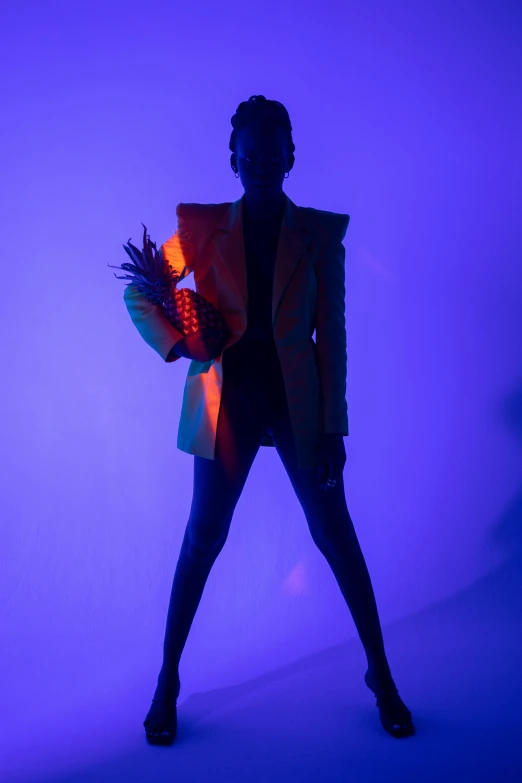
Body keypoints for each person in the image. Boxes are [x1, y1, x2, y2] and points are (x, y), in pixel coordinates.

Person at [139, 96, 414, 744]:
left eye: (273, 152)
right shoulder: (201, 228)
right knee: (203, 537)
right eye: (250, 153)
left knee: (335, 534)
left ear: (292, 156)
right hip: (227, 396)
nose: (262, 163)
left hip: (297, 402)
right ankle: (167, 679)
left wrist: (334, 430)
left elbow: (333, 339)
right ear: (232, 157)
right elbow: (142, 284)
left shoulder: (319, 235)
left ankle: (382, 673)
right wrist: (177, 341)